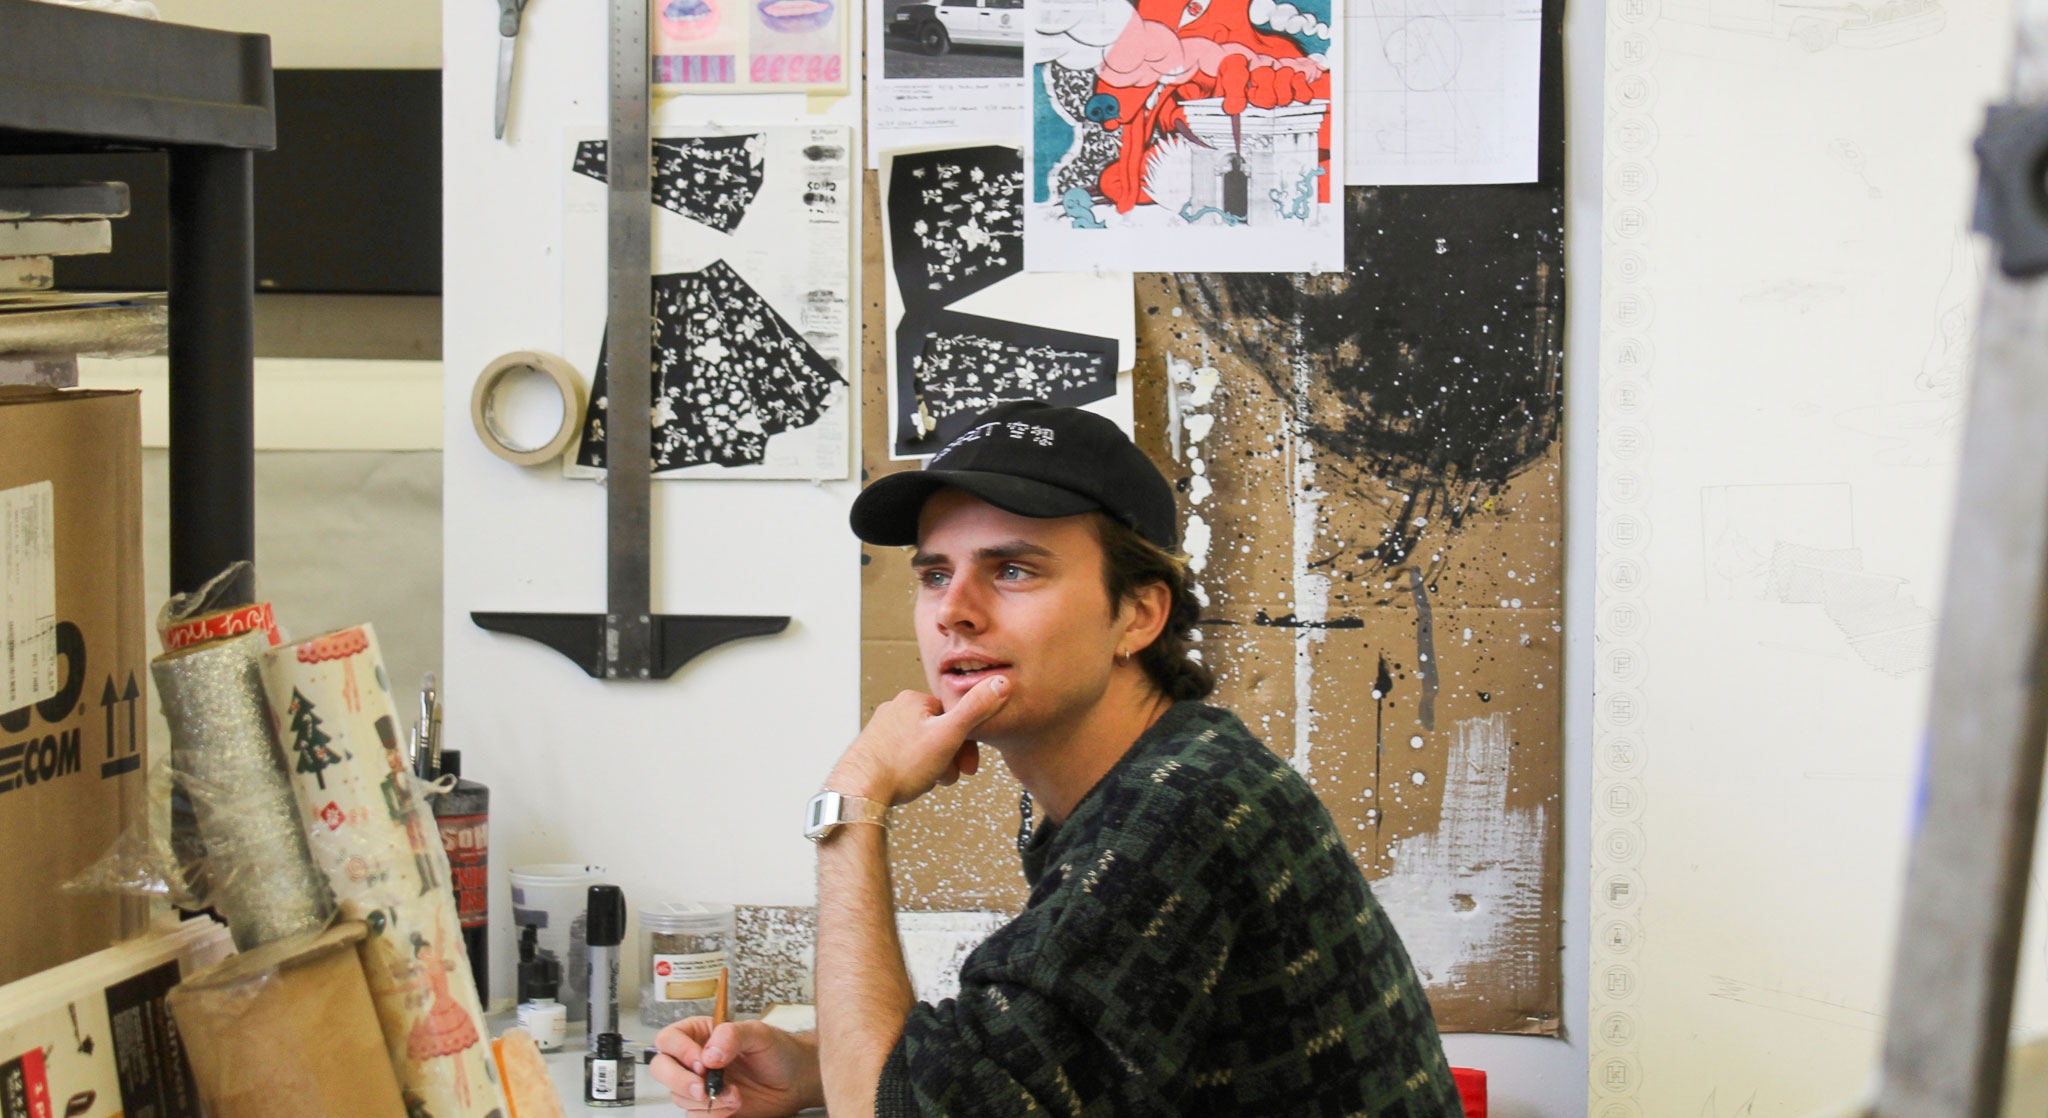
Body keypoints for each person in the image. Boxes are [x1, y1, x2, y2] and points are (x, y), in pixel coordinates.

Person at [649, 400, 1464, 1117]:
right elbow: (1041, 1074)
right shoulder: (1166, 775)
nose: (954, 614)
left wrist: (852, 801)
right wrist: (821, 1068)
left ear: (1139, 614)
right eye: (935, 574)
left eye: (1012, 570)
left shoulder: (1181, 813)